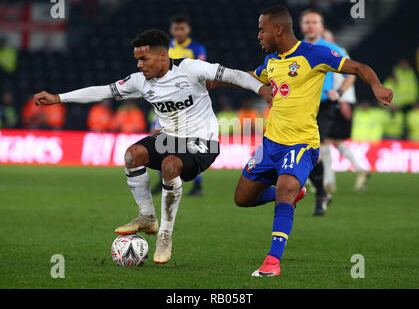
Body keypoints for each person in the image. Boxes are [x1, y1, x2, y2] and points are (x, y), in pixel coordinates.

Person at [33, 29, 272, 265]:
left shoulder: (190, 69)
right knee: (132, 154)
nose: (139, 65)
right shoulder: (139, 81)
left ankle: (165, 237)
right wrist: (59, 97)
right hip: (169, 138)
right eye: (137, 59)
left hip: (202, 144)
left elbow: (232, 75)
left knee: (170, 166)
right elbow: (103, 91)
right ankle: (147, 217)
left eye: (143, 58)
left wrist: (261, 89)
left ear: (163, 56)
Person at [232, 5, 392, 277]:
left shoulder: (313, 54)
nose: (258, 35)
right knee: (242, 199)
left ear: (278, 29)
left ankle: (272, 261)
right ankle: (299, 192)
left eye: (262, 30)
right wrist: (217, 79)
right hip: (269, 144)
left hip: (301, 143)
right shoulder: (271, 61)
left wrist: (376, 85)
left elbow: (358, 67)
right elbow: (250, 78)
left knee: (284, 190)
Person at [299, 9, 358, 215]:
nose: (310, 25)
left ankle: (320, 194)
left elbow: (352, 73)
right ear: (301, 26)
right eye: (307, 22)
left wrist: (340, 91)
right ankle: (321, 191)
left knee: (314, 148)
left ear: (321, 26)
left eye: (314, 22)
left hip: (323, 105)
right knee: (302, 150)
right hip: (300, 106)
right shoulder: (294, 48)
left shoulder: (331, 48)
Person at [162, 13, 207, 196]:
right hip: (167, 101)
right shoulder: (165, 48)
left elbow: (201, 72)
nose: (179, 32)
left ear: (188, 29)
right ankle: (163, 180)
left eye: (182, 28)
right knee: (162, 140)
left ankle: (197, 184)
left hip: (189, 102)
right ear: (171, 30)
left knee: (190, 143)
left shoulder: (196, 48)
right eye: (176, 28)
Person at [321, 29, 371, 193]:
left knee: (325, 141)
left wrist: (343, 101)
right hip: (339, 101)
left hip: (339, 102)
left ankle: (328, 181)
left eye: (325, 37)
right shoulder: (334, 53)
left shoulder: (336, 52)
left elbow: (349, 76)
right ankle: (358, 169)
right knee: (333, 141)